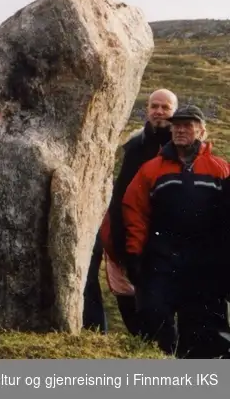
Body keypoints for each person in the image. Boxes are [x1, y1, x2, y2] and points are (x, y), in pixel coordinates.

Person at [122, 105, 230, 358]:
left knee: (206, 333)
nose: (180, 130)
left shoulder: (221, 169)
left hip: (206, 265)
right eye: (176, 125)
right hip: (162, 259)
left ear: (202, 131)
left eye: (187, 125)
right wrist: (134, 252)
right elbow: (134, 210)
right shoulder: (151, 169)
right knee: (155, 321)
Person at [94, 88, 178, 336]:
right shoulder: (135, 145)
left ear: (175, 111)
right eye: (154, 106)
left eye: (165, 107)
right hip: (129, 237)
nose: (159, 112)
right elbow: (121, 195)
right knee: (128, 299)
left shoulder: (180, 150)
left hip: (164, 243)